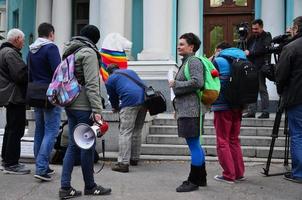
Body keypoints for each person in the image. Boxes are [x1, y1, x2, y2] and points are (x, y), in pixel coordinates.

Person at [59, 25, 111, 199]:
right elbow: (92, 84)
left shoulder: (70, 51)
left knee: (73, 146)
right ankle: (90, 186)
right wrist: (97, 110)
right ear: (95, 40)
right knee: (86, 147)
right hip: (84, 107)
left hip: (71, 104)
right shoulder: (88, 53)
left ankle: (66, 187)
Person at [169, 33, 207, 192]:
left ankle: (194, 180)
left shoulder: (193, 62)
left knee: (194, 145)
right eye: (179, 44)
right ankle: (201, 178)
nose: (179, 46)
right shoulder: (186, 62)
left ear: (191, 47)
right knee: (195, 144)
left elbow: (198, 82)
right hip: (187, 109)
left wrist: (175, 83)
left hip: (191, 111)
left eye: (182, 44)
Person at [28, 22, 62, 181]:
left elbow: (29, 73)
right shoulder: (51, 48)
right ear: (51, 34)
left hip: (35, 93)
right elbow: (58, 72)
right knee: (52, 131)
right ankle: (41, 168)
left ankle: (42, 165)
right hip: (50, 94)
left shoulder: (31, 50)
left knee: (40, 131)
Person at [211, 42, 246, 184]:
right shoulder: (242, 60)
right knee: (234, 139)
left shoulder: (218, 61)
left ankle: (228, 174)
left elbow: (210, 81)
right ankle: (238, 173)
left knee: (222, 140)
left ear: (219, 50)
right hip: (238, 105)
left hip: (222, 106)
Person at [105, 63, 147, 173]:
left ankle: (123, 163)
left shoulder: (110, 79)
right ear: (118, 68)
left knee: (125, 132)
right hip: (145, 101)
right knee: (137, 130)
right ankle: (134, 158)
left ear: (109, 72)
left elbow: (113, 97)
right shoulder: (130, 72)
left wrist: (115, 107)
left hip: (129, 102)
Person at [275, 16, 302, 184]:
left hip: (297, 98)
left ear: (297, 28)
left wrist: (280, 90)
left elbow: (281, 75)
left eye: (292, 28)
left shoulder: (291, 47)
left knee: (297, 134)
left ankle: (299, 173)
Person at [0, 28, 30, 175]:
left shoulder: (3, 51)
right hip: (14, 95)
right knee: (16, 129)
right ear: (17, 39)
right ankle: (11, 163)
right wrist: (29, 70)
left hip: (8, 95)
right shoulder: (10, 53)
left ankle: (6, 159)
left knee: (10, 128)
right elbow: (20, 75)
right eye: (22, 40)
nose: (23, 43)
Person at [243, 19, 272, 119]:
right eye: (253, 29)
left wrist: (250, 53)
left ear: (261, 27)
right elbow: (247, 50)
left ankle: (265, 112)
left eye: (256, 29)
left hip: (261, 67)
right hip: (251, 67)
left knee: (262, 89)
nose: (254, 30)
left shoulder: (267, 36)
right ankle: (251, 111)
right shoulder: (251, 38)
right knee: (251, 89)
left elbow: (264, 49)